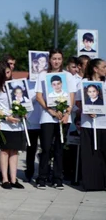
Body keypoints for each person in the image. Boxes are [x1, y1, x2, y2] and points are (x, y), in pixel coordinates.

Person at [35, 49, 76, 190]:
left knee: (59, 148)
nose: (56, 61)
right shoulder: (43, 75)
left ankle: (58, 178)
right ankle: (42, 178)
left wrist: (67, 113)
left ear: (62, 60)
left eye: (59, 58)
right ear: (49, 60)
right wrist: (50, 110)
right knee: (46, 148)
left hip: (63, 117)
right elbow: (39, 96)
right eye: (54, 58)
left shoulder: (68, 76)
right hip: (47, 117)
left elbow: (71, 96)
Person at [0, 60, 25, 190]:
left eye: (9, 72)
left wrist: (22, 110)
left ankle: (13, 178)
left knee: (15, 151)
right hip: (4, 123)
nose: (8, 74)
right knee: (5, 151)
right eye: (6, 72)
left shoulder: (15, 84)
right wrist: (6, 117)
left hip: (16, 123)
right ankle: (5, 178)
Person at [75, 58, 106, 190]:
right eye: (104, 67)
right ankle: (91, 183)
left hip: (104, 124)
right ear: (95, 69)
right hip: (88, 124)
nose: (105, 69)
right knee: (90, 155)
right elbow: (77, 101)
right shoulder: (84, 83)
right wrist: (86, 110)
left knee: (103, 154)